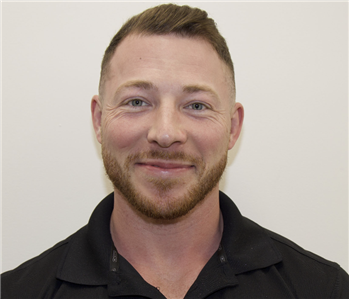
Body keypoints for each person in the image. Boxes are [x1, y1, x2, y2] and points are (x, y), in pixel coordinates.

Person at [0, 4, 348, 299]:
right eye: (136, 101)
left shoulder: (323, 289)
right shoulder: (19, 291)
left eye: (196, 105)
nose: (165, 133)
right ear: (98, 120)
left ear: (232, 127)